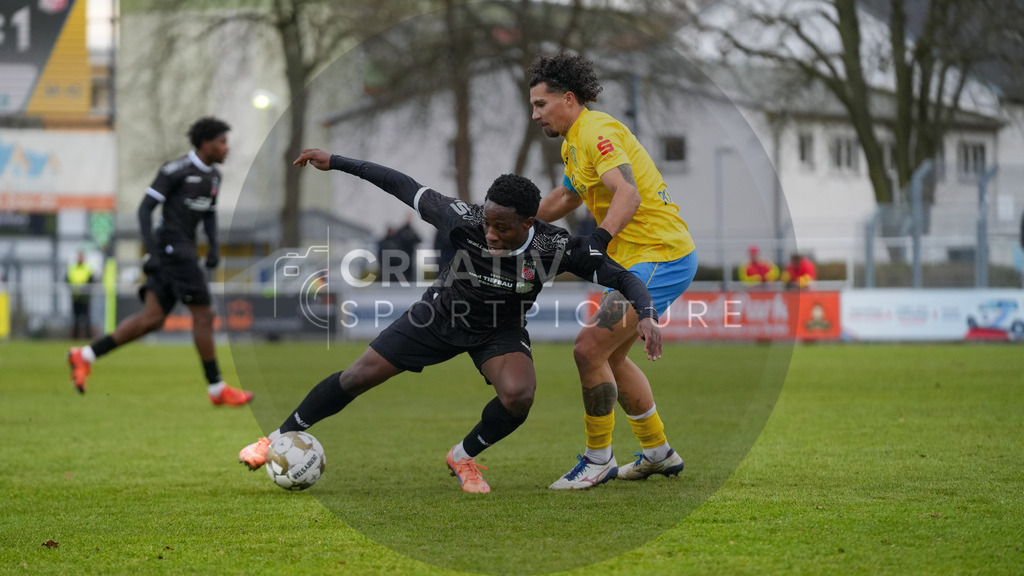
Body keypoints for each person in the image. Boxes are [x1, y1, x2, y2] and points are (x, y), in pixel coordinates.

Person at [238, 148, 664, 494]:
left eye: (501, 227)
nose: (490, 233)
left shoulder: (558, 246)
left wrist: (645, 315)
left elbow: (621, 276)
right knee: (356, 377)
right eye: (487, 223)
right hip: (440, 314)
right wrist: (337, 161)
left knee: (519, 396)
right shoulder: (462, 218)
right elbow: (401, 184)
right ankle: (274, 438)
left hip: (500, 329)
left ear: (529, 223)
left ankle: (463, 456)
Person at [528, 52, 698, 489]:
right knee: (610, 356)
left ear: (568, 99)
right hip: (639, 258)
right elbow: (564, 200)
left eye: (541, 104)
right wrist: (510, 224)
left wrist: (598, 240)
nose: (535, 115)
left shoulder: (597, 132)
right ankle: (658, 451)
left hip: (660, 255)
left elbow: (627, 192)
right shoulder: (574, 142)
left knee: (588, 349)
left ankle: (597, 459)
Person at [66, 117, 253, 406]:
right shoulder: (175, 170)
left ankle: (85, 355)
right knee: (203, 315)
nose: (227, 148)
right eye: (222, 142)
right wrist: (153, 249)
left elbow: (210, 214)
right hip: (174, 251)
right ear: (206, 144)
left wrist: (214, 246)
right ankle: (217, 389)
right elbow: (145, 209)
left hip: (181, 250)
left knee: (152, 319)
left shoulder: (214, 177)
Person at [66, 251, 96, 339]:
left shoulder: (88, 268)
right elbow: (67, 279)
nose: (80, 259)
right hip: (75, 296)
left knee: (87, 318)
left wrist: (84, 288)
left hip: (85, 296)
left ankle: (88, 336)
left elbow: (92, 280)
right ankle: (75, 337)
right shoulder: (72, 268)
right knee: (75, 318)